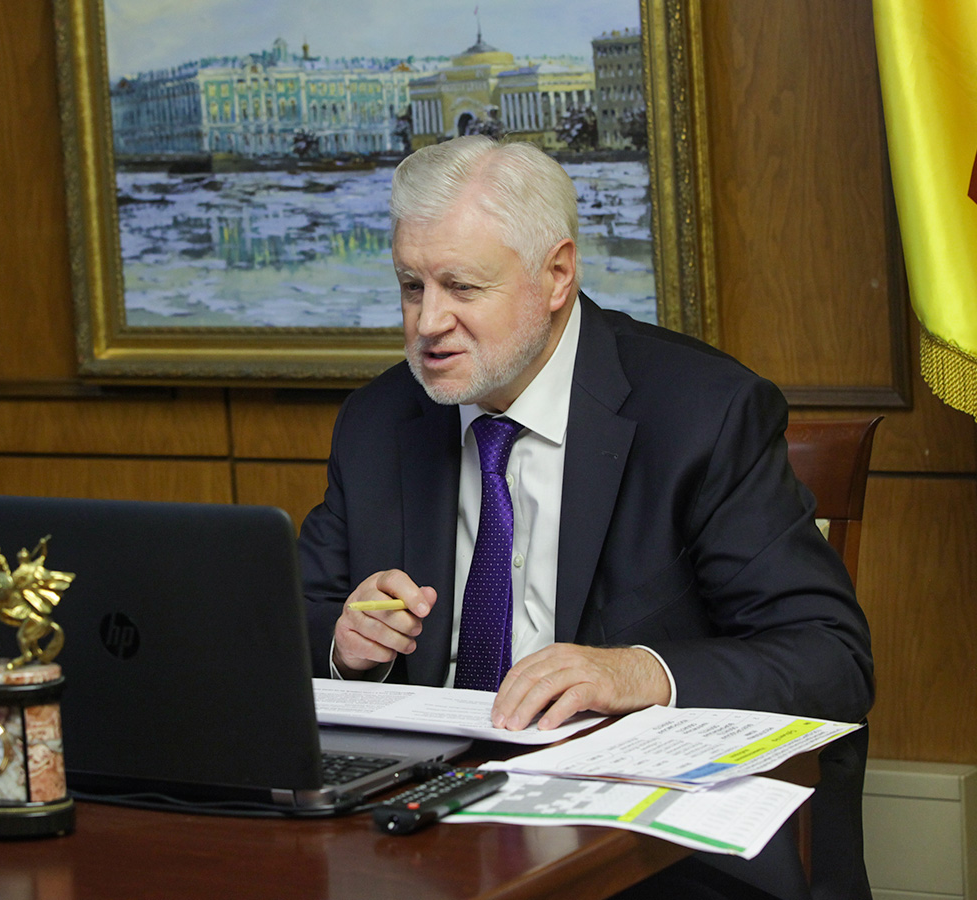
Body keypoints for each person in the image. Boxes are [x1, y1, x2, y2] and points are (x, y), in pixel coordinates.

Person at [298, 136, 874, 900]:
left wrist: (639, 672)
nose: (428, 322)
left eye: (462, 287)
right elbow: (293, 622)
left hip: (638, 845)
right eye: (411, 286)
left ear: (557, 275)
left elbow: (829, 657)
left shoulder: (702, 413)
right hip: (419, 830)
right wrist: (346, 644)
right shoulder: (380, 419)